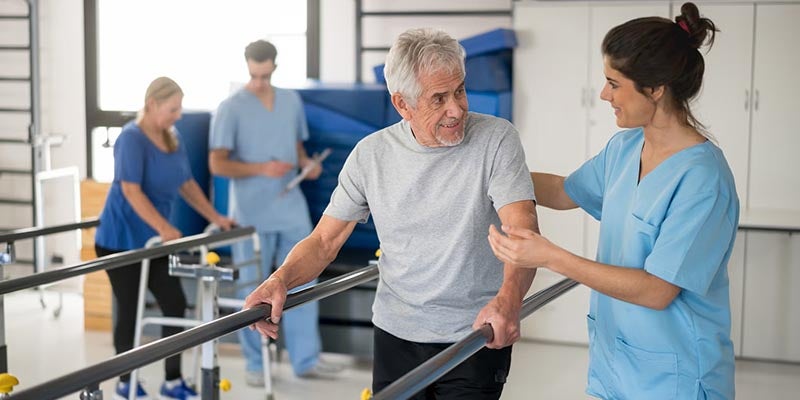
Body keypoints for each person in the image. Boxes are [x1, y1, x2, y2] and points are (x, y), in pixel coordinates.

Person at [244, 28, 539, 399]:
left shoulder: (496, 139)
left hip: (474, 335)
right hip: (396, 335)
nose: (457, 108)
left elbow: (522, 230)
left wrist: (509, 299)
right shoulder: (371, 156)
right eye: (439, 98)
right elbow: (324, 241)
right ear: (402, 104)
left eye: (460, 90)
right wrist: (281, 280)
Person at [488, 3, 736, 399]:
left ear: (655, 89)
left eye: (614, 83)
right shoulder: (624, 148)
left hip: (676, 376)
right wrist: (488, 178)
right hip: (616, 365)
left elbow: (658, 290)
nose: (604, 94)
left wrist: (549, 256)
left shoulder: (703, 179)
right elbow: (563, 190)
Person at [208, 39, 340, 386]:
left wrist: (307, 166)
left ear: (275, 68)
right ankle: (255, 363)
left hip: (290, 206)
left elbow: (296, 150)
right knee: (253, 289)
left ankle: (306, 359)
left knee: (303, 279)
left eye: (266, 75)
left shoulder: (290, 101)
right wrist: (260, 169)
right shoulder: (230, 107)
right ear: (247, 66)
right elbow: (217, 163)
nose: (260, 82)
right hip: (251, 211)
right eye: (254, 75)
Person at [95, 76, 234, 400]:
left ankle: (172, 380)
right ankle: (125, 381)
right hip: (121, 239)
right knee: (129, 310)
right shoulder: (131, 139)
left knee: (174, 302)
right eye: (173, 108)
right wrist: (164, 227)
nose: (179, 115)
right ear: (152, 104)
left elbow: (186, 183)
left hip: (154, 243)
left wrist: (216, 217)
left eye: (180, 108)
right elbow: (131, 190)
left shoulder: (172, 137)